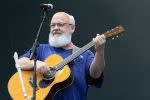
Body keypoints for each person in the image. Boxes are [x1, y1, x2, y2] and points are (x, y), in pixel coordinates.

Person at [18, 12, 106, 100]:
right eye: (52, 25)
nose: (55, 28)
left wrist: (100, 51)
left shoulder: (86, 54)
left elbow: (96, 74)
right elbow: (19, 63)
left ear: (72, 28)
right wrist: (36, 64)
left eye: (60, 24)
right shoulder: (41, 49)